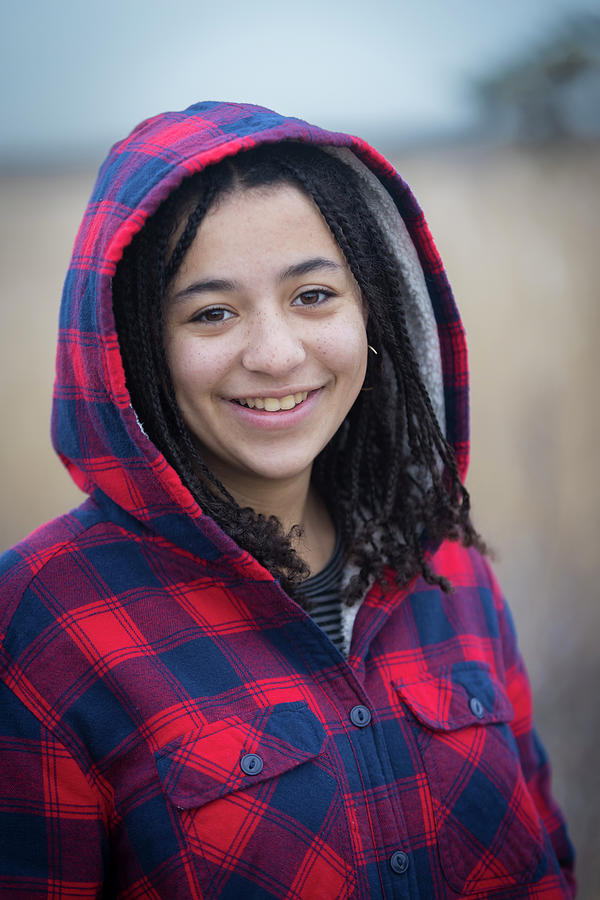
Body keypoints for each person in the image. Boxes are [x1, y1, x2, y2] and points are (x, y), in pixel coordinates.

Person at [0, 101, 575, 898]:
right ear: (133, 345)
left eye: (313, 297)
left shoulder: (449, 569)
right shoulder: (42, 620)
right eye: (212, 313)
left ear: (371, 309)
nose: (275, 354)